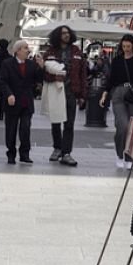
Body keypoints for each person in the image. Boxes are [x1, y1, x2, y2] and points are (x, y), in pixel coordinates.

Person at [41, 25, 86, 167]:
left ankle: (66, 153)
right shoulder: (50, 52)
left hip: (71, 92)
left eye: (67, 33)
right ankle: (57, 148)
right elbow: (42, 72)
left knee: (69, 124)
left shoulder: (76, 51)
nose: (66, 35)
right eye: (63, 33)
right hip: (56, 91)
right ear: (57, 36)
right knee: (55, 121)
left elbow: (83, 74)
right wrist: (53, 77)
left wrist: (82, 95)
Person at [100, 34, 133, 170]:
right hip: (119, 93)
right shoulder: (117, 60)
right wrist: (105, 93)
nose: (126, 49)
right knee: (122, 126)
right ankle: (120, 154)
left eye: (129, 46)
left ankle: (130, 157)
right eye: (124, 46)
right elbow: (111, 78)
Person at [0, 40, 43, 164]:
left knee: (25, 129)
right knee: (11, 130)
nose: (28, 50)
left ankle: (25, 154)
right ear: (17, 51)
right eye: (25, 48)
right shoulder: (7, 64)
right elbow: (2, 81)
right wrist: (9, 94)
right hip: (12, 103)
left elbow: (38, 79)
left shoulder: (31, 64)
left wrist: (41, 67)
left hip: (26, 103)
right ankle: (11, 153)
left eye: (28, 48)